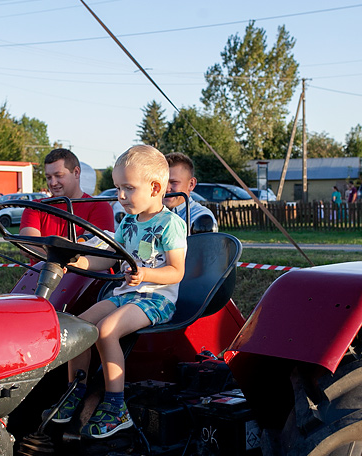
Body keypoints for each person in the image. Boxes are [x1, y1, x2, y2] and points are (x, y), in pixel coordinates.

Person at [49, 145, 187, 438]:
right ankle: (76, 390)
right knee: (78, 326)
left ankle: (116, 407)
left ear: (155, 187)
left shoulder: (170, 225)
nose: (120, 196)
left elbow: (177, 271)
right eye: (117, 188)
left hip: (157, 298)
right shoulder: (127, 222)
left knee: (107, 329)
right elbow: (110, 258)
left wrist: (146, 274)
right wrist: (77, 261)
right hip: (127, 294)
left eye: (128, 188)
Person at [19, 148, 115, 239]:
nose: (53, 183)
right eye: (48, 177)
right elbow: (28, 246)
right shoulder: (35, 207)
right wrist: (75, 242)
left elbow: (94, 247)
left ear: (76, 172)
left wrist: (46, 245)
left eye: (59, 176)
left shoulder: (99, 207)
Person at [163, 152, 218, 234]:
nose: (166, 189)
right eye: (162, 182)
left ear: (191, 184)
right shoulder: (148, 214)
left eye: (174, 182)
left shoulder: (200, 218)